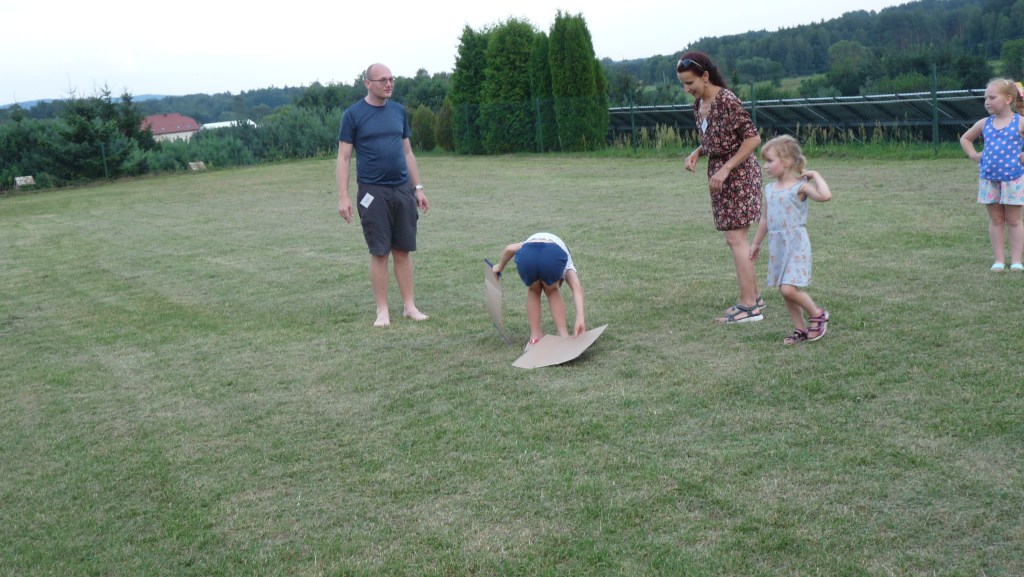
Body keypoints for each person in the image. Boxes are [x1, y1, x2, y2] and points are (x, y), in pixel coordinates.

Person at [337, 63, 430, 326]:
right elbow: (344, 157)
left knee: (403, 250)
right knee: (379, 251)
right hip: (372, 191)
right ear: (367, 83)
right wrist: (343, 196)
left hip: (402, 189)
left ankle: (409, 307)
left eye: (391, 79)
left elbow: (407, 152)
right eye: (382, 80)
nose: (388, 84)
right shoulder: (353, 115)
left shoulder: (399, 111)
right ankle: (382, 311)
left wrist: (418, 188)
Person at [677, 51, 765, 323]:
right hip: (720, 178)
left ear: (705, 76)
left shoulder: (727, 100)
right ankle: (755, 296)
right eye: (683, 84)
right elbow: (715, 138)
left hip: (739, 176)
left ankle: (749, 307)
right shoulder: (699, 105)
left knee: (736, 238)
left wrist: (726, 168)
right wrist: (697, 152)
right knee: (735, 239)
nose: (687, 89)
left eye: (690, 83)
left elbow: (752, 139)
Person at [750, 135, 832, 344]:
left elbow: (825, 196)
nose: (765, 166)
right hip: (778, 247)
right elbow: (766, 219)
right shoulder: (769, 189)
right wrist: (756, 243)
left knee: (788, 288)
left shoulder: (800, 187)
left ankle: (818, 315)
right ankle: (800, 330)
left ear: (786, 162)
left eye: (770, 161)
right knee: (785, 291)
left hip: (796, 245)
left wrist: (816, 175)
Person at [959, 78, 1024, 272]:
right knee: (996, 220)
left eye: (992, 97)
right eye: (985, 98)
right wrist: (973, 155)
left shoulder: (1020, 122)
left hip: (1013, 179)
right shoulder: (984, 123)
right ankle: (998, 260)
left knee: (1014, 221)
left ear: (1008, 99)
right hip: (989, 180)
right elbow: (965, 139)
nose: (987, 102)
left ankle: (1016, 261)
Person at [490, 233, 586, 352]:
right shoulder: (566, 258)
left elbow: (509, 248)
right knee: (552, 291)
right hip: (552, 256)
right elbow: (576, 287)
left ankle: (535, 338)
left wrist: (500, 267)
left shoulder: (528, 243)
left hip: (527, 257)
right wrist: (580, 318)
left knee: (534, 290)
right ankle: (563, 335)